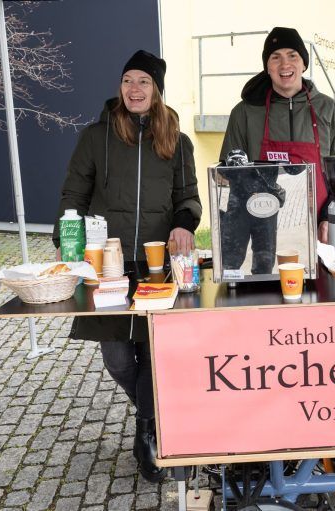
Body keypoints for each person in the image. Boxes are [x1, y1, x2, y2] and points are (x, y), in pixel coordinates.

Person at [53, 50, 201, 482]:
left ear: (156, 91)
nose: (134, 89)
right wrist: (68, 242)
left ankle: (147, 431)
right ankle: (156, 413)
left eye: (144, 82)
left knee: (155, 354)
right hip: (109, 266)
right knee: (118, 358)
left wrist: (184, 225)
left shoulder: (177, 139)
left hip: (157, 266)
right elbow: (72, 196)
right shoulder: (94, 137)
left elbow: (188, 198)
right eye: (128, 81)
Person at [219, 27, 335, 273]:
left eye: (292, 55)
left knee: (324, 299)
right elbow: (230, 171)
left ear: (303, 63)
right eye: (276, 57)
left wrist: (328, 216)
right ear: (267, 67)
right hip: (261, 223)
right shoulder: (245, 112)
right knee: (264, 293)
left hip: (323, 228)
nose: (285, 63)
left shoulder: (331, 111)